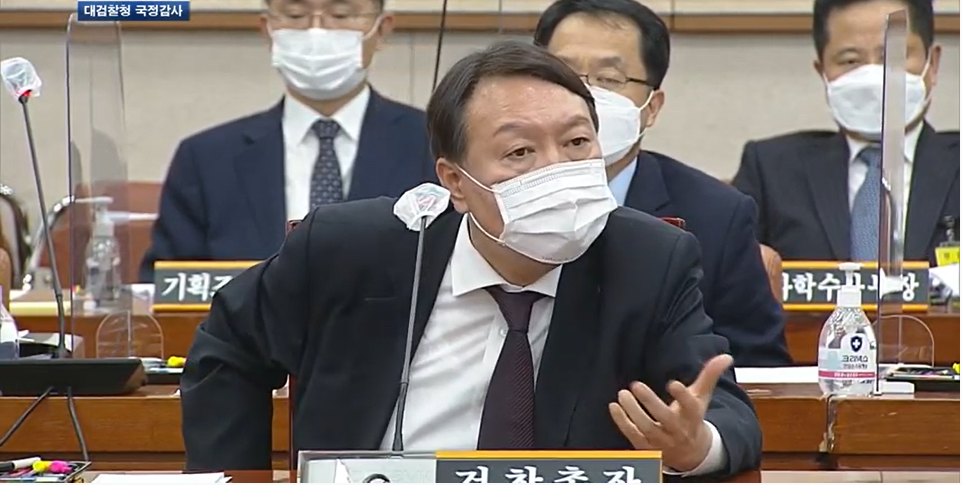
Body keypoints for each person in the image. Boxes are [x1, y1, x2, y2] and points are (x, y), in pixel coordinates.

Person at [181, 41, 762, 478]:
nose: (557, 170)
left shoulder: (648, 260)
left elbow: (725, 414)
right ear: (455, 183)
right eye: (520, 151)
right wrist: (236, 477)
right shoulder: (353, 248)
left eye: (577, 143)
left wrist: (694, 447)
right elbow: (229, 347)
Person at [139, 0, 435, 281]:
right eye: (295, 15)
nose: (316, 31)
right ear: (268, 29)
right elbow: (165, 289)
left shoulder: (436, 146)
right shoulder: (205, 160)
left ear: (381, 29)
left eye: (340, 14)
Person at [533, 0, 790, 367]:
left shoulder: (717, 216)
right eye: (563, 75)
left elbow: (757, 366)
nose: (584, 95)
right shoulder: (487, 195)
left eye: (609, 78)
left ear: (651, 107)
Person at [733, 0, 959, 263]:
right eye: (851, 60)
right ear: (823, 72)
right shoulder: (771, 171)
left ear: (933, 65)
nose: (874, 75)